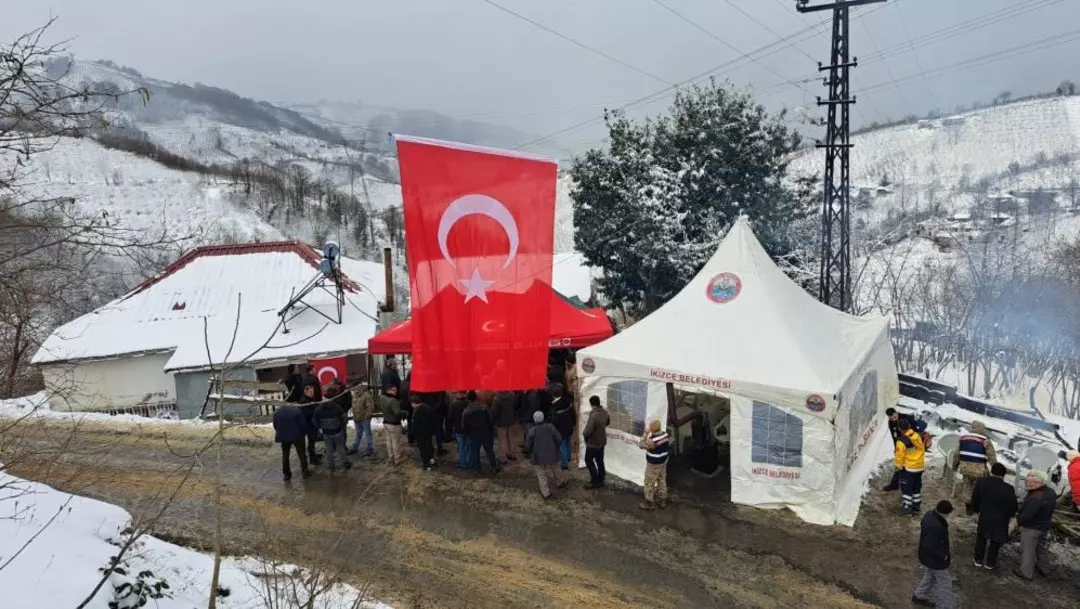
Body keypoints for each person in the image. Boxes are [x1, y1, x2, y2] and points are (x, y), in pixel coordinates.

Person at [970, 462, 1017, 570]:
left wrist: (977, 510)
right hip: (1001, 519)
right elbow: (1013, 506)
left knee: (981, 537)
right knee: (995, 540)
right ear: (1003, 475)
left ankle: (978, 559)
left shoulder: (981, 482)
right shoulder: (1009, 488)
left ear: (992, 472)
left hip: (985, 515)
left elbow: (975, 498)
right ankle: (990, 563)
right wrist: (1010, 515)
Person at [911, 500, 954, 608]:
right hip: (935, 559)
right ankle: (947, 606)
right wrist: (942, 556)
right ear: (944, 513)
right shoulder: (936, 527)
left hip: (928, 557)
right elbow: (928, 546)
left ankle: (919, 595)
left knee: (930, 576)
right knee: (945, 584)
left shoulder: (930, 514)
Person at [1014, 470, 1056, 580]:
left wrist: (1018, 520)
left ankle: (1025, 573)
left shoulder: (1036, 496)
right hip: (1044, 525)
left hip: (1032, 528)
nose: (1029, 484)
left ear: (1040, 481)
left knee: (1028, 551)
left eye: (1032, 482)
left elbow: (1027, 515)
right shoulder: (1051, 492)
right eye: (1027, 482)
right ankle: (1044, 569)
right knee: (1040, 548)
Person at [950, 420, 997, 508]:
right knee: (979, 488)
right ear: (982, 429)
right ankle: (976, 506)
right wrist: (996, 471)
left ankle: (968, 506)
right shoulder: (985, 441)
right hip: (979, 470)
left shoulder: (963, 439)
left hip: (965, 468)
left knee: (967, 486)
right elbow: (992, 457)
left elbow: (957, 454)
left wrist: (954, 466)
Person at [882, 407, 927, 491]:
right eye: (891, 419)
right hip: (901, 445)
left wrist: (913, 441)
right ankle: (895, 483)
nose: (894, 420)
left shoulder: (907, 417)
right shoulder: (890, 423)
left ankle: (907, 485)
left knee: (906, 466)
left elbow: (919, 429)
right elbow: (894, 436)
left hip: (912, 446)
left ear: (896, 413)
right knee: (899, 464)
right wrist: (896, 448)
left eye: (895, 417)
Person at [527, 410, 566, 499]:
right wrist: (556, 447)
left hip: (538, 456)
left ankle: (545, 493)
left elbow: (528, 445)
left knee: (541, 474)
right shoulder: (550, 427)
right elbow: (559, 439)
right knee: (556, 468)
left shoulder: (532, 431)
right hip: (552, 453)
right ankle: (560, 482)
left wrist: (530, 452)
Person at [313, 386, 350, 472]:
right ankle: (345, 463)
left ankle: (331, 466)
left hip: (326, 433)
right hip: (338, 432)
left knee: (329, 450)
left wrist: (320, 427)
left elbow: (314, 420)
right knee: (340, 448)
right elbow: (344, 418)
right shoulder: (337, 407)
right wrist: (341, 426)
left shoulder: (318, 409)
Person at [895, 418, 926, 515]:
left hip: (908, 468)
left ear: (900, 429)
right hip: (919, 467)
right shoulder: (917, 436)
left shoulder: (901, 441)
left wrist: (898, 467)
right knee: (916, 486)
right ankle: (916, 505)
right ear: (909, 426)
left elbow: (899, 456)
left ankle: (907, 507)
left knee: (906, 487)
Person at [272, 404, 311, 481]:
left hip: (284, 436)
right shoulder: (297, 411)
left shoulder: (277, 412)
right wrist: (304, 433)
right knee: (301, 453)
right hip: (297, 436)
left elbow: (275, 425)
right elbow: (303, 424)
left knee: (285, 455)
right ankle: (304, 471)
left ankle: (286, 474)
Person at [463, 391, 499, 473]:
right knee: (489, 451)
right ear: (476, 397)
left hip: (473, 434)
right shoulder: (484, 407)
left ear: (468, 399)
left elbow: (465, 425)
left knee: (474, 452)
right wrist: (491, 429)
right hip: (485, 432)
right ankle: (493, 467)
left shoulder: (466, 411)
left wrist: (466, 434)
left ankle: (477, 468)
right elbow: (491, 420)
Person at [638, 419, 670, 510]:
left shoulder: (652, 441)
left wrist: (645, 433)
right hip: (663, 461)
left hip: (653, 464)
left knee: (649, 482)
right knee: (662, 480)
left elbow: (640, 444)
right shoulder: (665, 435)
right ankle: (662, 499)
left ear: (652, 429)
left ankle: (649, 503)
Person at [582, 395, 610, 489]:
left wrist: (584, 434)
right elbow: (608, 422)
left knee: (588, 460)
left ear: (591, 404)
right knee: (599, 460)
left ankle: (595, 480)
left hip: (593, 443)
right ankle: (601, 479)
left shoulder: (594, 415)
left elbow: (588, 431)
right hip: (602, 441)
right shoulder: (605, 412)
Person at [378, 385, 407, 466]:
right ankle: (397, 459)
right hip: (394, 424)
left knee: (389, 442)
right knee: (396, 442)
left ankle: (390, 457)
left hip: (386, 422)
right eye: (393, 390)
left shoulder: (381, 397)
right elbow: (397, 413)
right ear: (388, 390)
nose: (395, 392)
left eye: (396, 390)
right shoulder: (392, 400)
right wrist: (405, 413)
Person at [551, 385, 576, 470]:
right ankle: (568, 457)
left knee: (562, 446)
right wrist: (573, 423)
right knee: (568, 442)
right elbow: (573, 414)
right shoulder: (568, 401)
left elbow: (554, 420)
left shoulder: (555, 405)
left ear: (553, 394)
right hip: (569, 426)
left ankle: (564, 464)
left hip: (560, 429)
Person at [491, 390, 519, 465]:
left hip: (501, 422)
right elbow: (516, 406)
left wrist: (493, 421)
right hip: (511, 420)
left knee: (502, 440)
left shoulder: (497, 399)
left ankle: (502, 458)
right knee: (511, 438)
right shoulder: (512, 395)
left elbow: (494, 412)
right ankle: (512, 454)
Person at [297, 384, 322, 465]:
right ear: (305, 391)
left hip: (312, 423)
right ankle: (312, 459)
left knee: (313, 441)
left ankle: (313, 455)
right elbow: (306, 413)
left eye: (312, 391)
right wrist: (316, 412)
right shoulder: (303, 400)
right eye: (310, 392)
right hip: (308, 424)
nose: (312, 393)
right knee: (311, 441)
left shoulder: (310, 398)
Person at [349, 382, 376, 457]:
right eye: (353, 389)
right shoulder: (354, 395)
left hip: (364, 419)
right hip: (357, 419)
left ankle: (370, 448)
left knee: (368, 434)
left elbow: (370, 408)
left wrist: (366, 417)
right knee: (358, 434)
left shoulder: (366, 395)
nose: (353, 390)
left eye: (354, 388)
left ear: (359, 387)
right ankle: (355, 448)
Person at [446, 391, 472, 469]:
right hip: (468, 428)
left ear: (458, 394)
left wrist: (449, 429)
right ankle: (469, 462)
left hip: (458, 428)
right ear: (465, 394)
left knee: (461, 447)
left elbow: (450, 417)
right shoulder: (469, 403)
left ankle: (463, 463)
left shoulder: (454, 404)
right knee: (468, 446)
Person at [410, 394, 436, 471]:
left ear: (414, 403)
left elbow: (414, 425)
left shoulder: (416, 412)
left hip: (420, 434)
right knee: (429, 446)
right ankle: (431, 460)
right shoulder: (427, 407)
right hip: (429, 431)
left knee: (423, 449)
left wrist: (412, 433)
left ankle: (426, 465)